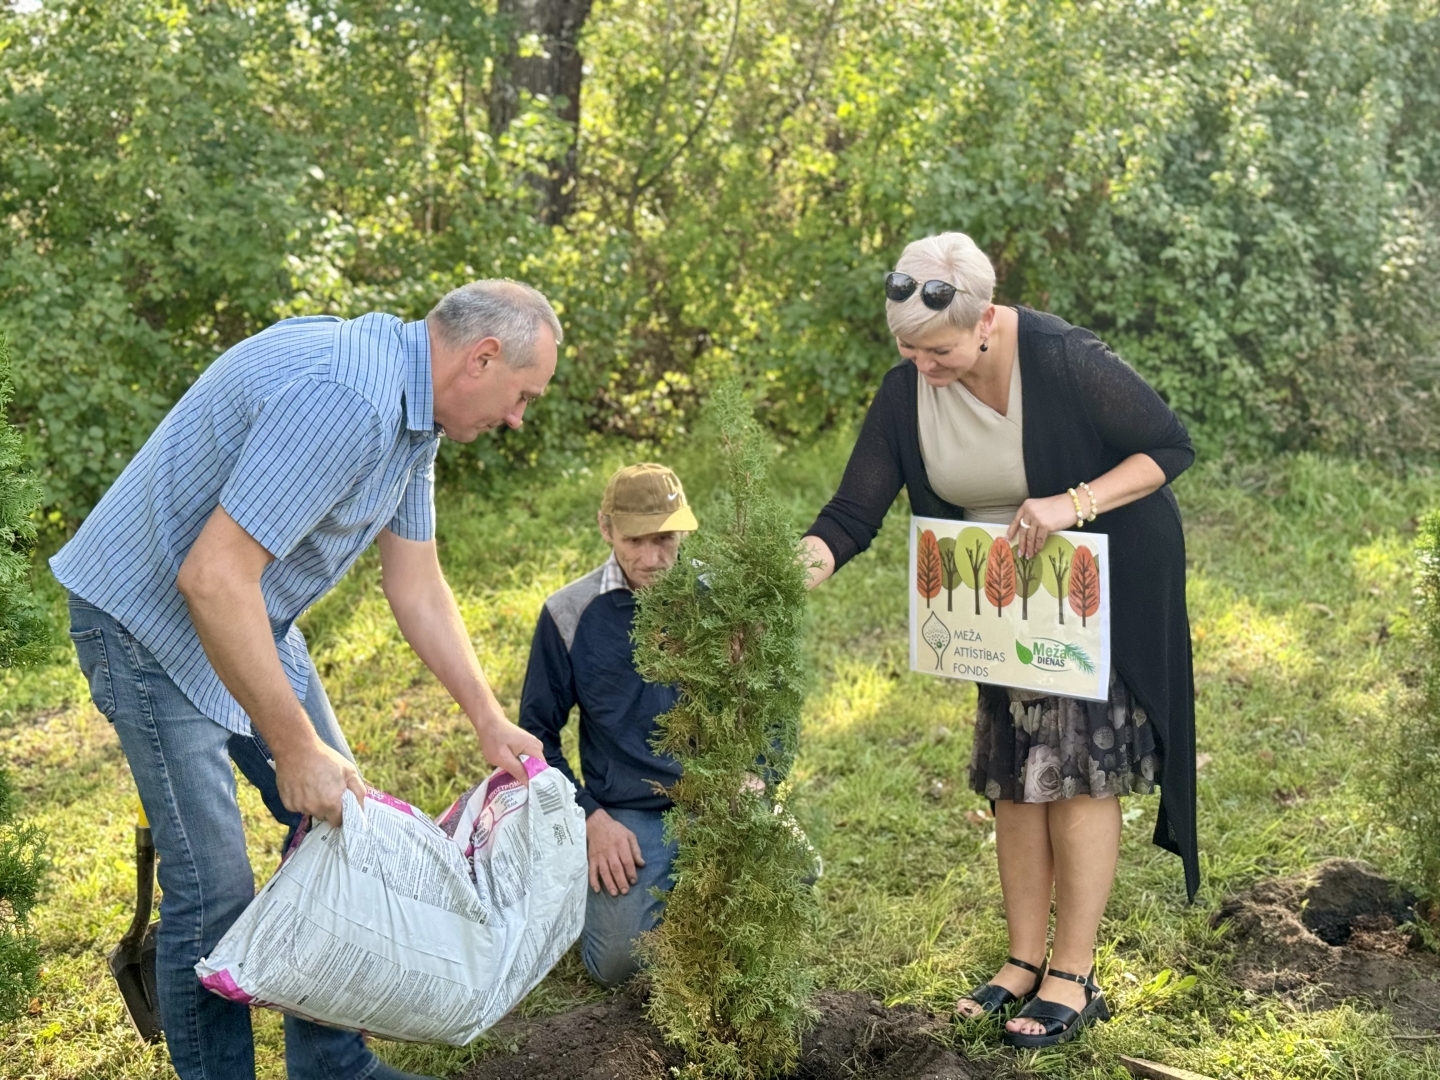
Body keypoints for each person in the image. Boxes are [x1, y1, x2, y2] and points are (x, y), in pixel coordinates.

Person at [53, 280, 559, 1080]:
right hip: (144, 620)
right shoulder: (348, 398)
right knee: (213, 890)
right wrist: (293, 745)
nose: (518, 417)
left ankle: (331, 1067)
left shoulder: (415, 419)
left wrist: (487, 718)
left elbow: (417, 584)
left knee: (348, 829)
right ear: (481, 358)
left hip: (249, 611)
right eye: (523, 395)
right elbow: (211, 577)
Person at [799, 232, 1197, 1048]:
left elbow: (1168, 447)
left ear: (985, 323)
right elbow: (850, 514)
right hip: (1000, 612)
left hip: (1100, 590)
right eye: (909, 350)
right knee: (1015, 774)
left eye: (938, 350)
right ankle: (1021, 962)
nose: (924, 366)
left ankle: (1074, 977)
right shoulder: (906, 385)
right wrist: (785, 580)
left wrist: (1072, 501)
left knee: (1078, 768)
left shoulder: (1061, 358)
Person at [518, 463, 698, 987]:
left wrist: (757, 775)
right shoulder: (568, 614)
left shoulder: (719, 603)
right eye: (635, 540)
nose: (652, 558)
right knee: (620, 964)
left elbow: (767, 709)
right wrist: (589, 819)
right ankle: (597, 882)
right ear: (606, 529)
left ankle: (676, 891)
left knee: (796, 874)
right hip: (625, 810)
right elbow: (536, 741)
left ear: (683, 530)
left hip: (715, 793)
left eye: (665, 539)